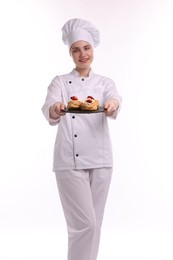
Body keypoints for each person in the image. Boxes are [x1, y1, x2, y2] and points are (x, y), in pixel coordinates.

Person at [42, 18, 122, 260]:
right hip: (69, 160)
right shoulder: (59, 82)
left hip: (101, 159)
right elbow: (50, 106)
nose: (82, 54)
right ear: (70, 53)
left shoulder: (104, 82)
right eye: (76, 49)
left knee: (95, 225)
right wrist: (56, 108)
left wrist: (112, 104)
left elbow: (114, 98)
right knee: (83, 225)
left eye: (86, 48)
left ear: (92, 50)